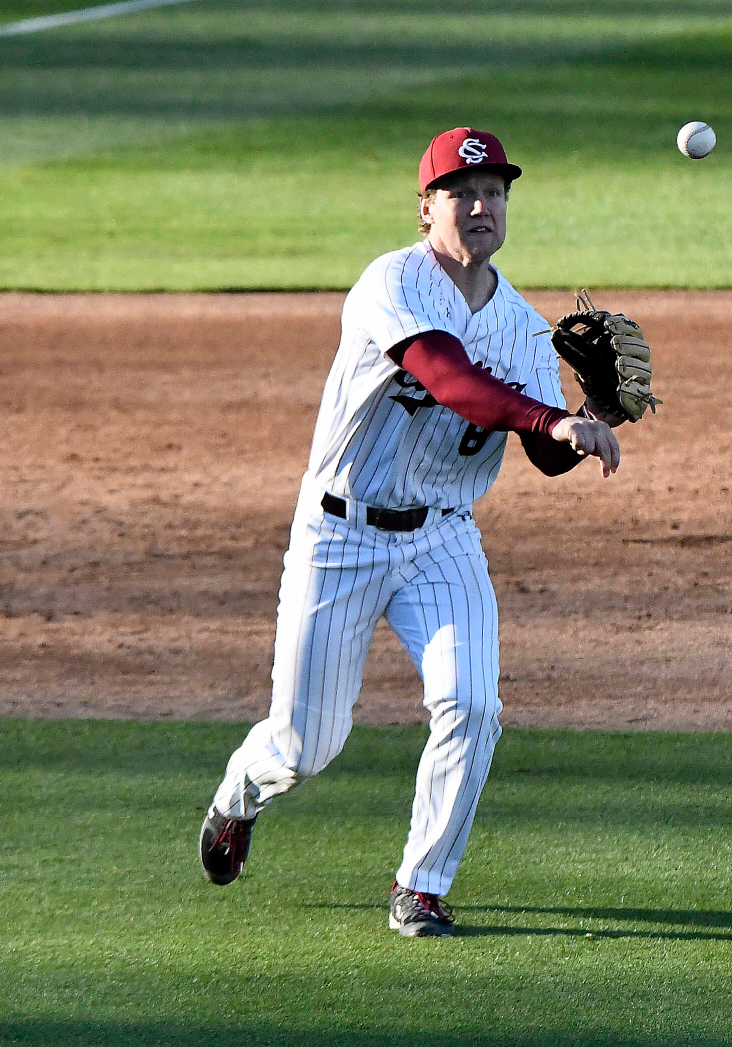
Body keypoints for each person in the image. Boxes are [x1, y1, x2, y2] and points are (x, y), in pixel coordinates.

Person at [199, 127, 623, 937]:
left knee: (473, 703)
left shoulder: (525, 328)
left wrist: (593, 412)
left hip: (442, 538)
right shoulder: (390, 282)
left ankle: (420, 886)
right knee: (305, 743)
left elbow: (546, 455)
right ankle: (238, 796)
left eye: (494, 191)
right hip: (340, 534)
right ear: (426, 207)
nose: (480, 205)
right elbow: (449, 378)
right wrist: (549, 417)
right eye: (461, 193)